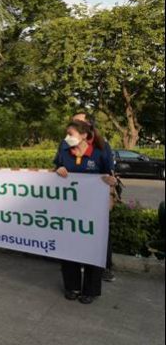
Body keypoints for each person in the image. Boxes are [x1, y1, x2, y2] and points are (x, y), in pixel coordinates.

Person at [54, 120, 116, 304]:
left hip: (93, 211)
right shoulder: (64, 153)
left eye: (71, 134)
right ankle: (71, 286)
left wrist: (110, 185)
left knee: (92, 249)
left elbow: (111, 177)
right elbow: (55, 170)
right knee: (69, 248)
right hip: (68, 210)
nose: (67, 138)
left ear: (84, 136)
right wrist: (59, 170)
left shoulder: (99, 154)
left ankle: (90, 290)